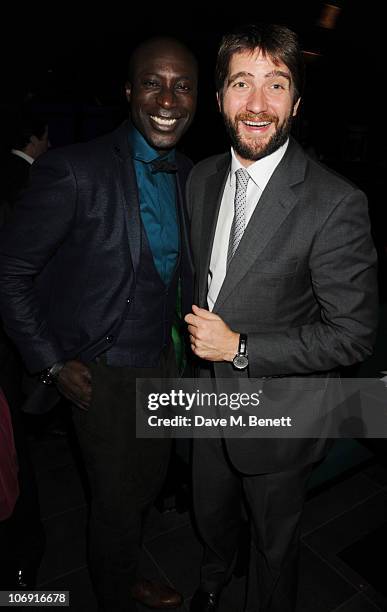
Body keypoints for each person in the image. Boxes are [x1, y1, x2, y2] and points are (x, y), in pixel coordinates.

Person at [184, 23, 378, 612]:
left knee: (275, 547)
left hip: (280, 415)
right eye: (242, 83)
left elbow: (354, 335)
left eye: (277, 84)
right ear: (219, 97)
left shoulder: (335, 202)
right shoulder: (199, 179)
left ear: (296, 102)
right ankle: (216, 574)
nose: (258, 104)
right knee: (209, 513)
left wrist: (240, 346)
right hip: (205, 403)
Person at [0, 36, 197, 611]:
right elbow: (9, 273)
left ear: (196, 100)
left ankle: (126, 570)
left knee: (147, 483)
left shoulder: (192, 173)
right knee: (113, 499)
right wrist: (54, 362)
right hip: (102, 374)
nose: (167, 97)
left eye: (181, 85)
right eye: (153, 82)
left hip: (166, 362)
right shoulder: (74, 170)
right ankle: (113, 591)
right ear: (129, 91)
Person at [0, 113, 49, 208]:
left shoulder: (5, 164)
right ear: (34, 140)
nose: (49, 144)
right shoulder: (33, 176)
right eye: (46, 139)